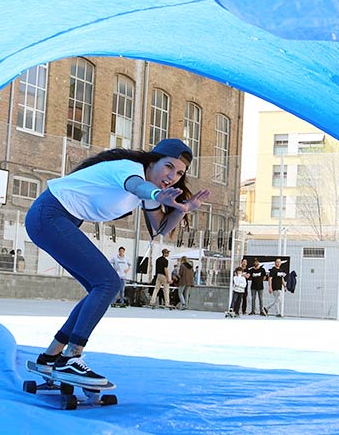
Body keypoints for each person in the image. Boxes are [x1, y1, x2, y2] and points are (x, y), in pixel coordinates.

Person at [25, 138, 210, 386]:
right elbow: (137, 187)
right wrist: (158, 194)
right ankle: (71, 357)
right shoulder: (130, 169)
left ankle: (51, 356)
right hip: (49, 215)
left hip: (58, 221)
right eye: (168, 167)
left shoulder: (153, 190)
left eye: (179, 173)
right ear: (152, 161)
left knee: (99, 287)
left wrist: (183, 208)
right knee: (108, 283)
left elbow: (162, 228)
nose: (172, 176)